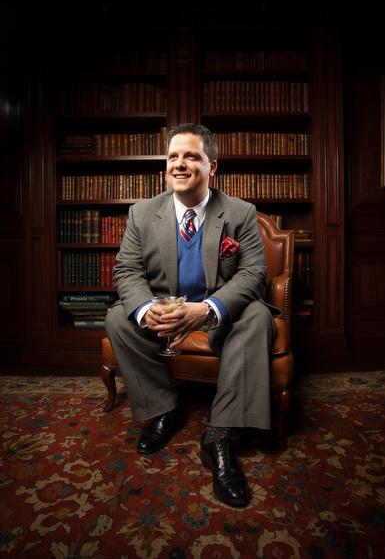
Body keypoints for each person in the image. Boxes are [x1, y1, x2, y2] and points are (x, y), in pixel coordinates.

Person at [105, 123, 279, 507]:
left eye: (191, 156)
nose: (179, 164)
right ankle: (167, 409)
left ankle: (219, 434)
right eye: (173, 157)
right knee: (119, 317)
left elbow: (253, 272)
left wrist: (209, 310)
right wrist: (145, 308)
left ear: (212, 166)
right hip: (164, 312)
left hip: (219, 314)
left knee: (258, 317)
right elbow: (127, 271)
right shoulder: (141, 213)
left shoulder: (241, 213)